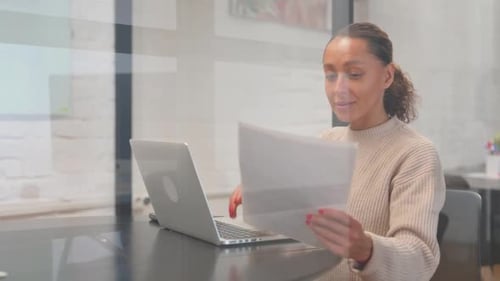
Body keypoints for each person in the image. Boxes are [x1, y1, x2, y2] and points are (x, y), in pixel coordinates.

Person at [229, 22, 445, 281]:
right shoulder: (327, 141)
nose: (339, 89)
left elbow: (420, 260)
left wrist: (366, 248)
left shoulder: (415, 154)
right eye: (331, 75)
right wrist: (264, 194)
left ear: (386, 76)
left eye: (354, 74)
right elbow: (297, 232)